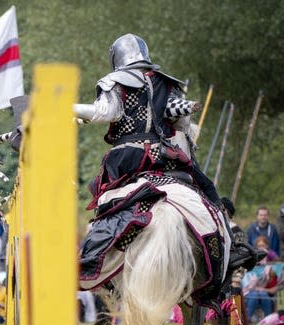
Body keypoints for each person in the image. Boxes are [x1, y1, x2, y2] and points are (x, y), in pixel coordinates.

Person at [75, 34, 260, 279]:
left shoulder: (115, 82)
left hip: (127, 160)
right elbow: (180, 120)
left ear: (116, 58)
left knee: (106, 202)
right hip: (165, 158)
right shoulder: (165, 82)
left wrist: (63, 105)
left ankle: (95, 254)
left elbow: (104, 112)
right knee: (208, 192)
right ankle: (232, 251)